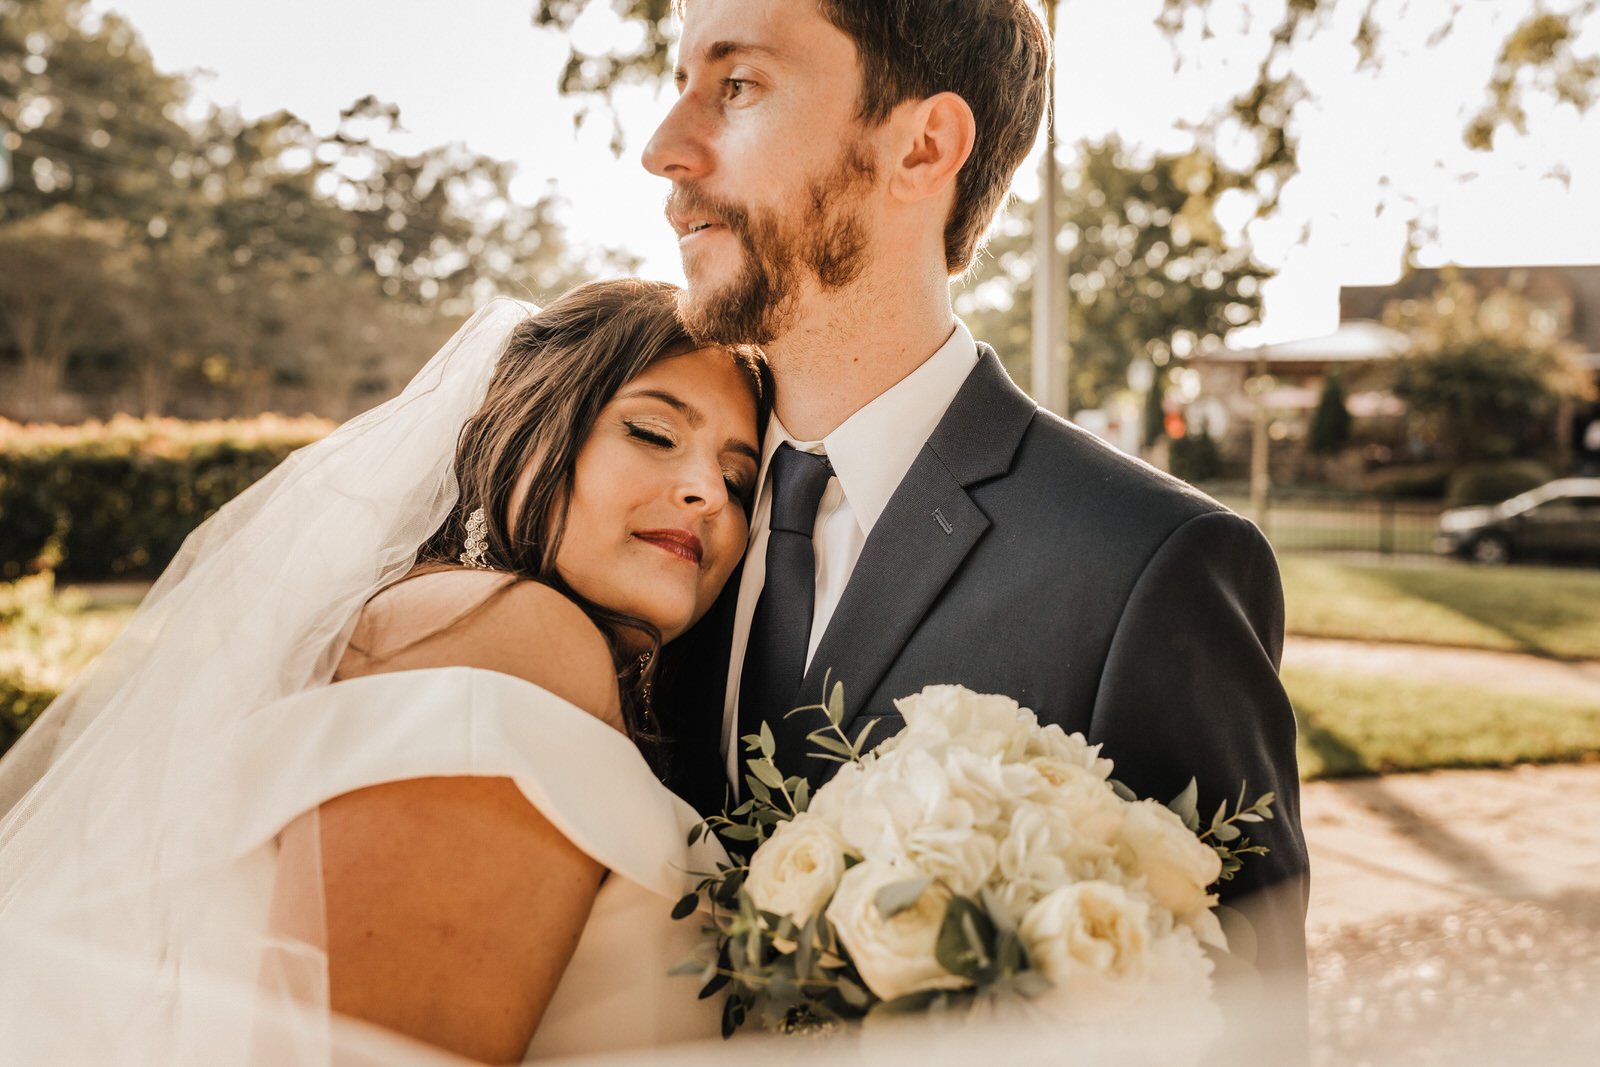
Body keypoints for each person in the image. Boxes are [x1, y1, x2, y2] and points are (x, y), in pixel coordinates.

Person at [642, 0, 1310, 1042]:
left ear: (922, 145)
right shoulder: (627, 513)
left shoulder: (1149, 567)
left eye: (736, 86)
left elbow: (1243, 1031)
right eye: (679, 82)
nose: (662, 149)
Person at [0, 279, 764, 1063]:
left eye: (739, 481)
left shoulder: (441, 622)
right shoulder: (507, 633)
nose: (706, 493)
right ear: (524, 429)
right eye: (652, 431)